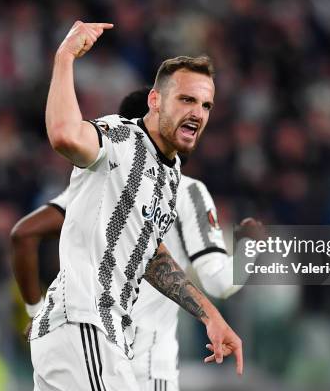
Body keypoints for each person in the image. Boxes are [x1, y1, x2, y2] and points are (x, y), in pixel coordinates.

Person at [26, 20, 242, 391]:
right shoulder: (122, 138)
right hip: (85, 322)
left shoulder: (169, 172)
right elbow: (64, 134)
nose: (198, 112)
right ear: (155, 100)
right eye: (186, 99)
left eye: (206, 104)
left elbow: (149, 254)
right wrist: (65, 59)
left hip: (93, 334)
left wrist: (210, 316)